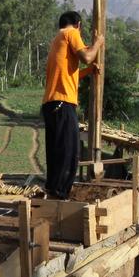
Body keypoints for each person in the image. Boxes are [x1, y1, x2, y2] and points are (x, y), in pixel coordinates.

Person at [42, 11, 104, 199]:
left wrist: (89, 71)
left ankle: (53, 190)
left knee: (57, 151)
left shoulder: (58, 40)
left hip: (52, 104)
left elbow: (70, 75)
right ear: (78, 24)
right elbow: (87, 56)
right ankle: (60, 194)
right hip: (63, 103)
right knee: (69, 152)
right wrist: (98, 43)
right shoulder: (71, 33)